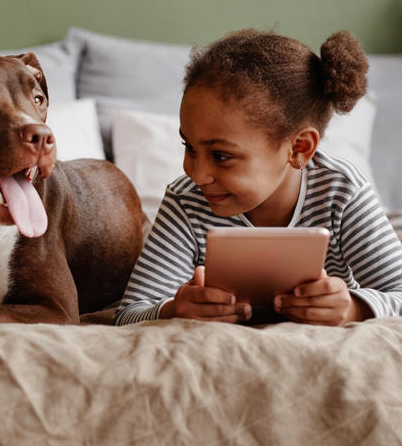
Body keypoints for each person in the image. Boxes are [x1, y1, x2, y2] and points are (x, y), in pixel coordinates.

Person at [115, 29, 402, 327]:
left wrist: (355, 309)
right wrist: (173, 310)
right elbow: (128, 315)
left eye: (221, 156)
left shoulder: (342, 192)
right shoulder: (185, 201)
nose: (197, 175)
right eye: (189, 147)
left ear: (299, 148)